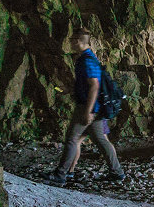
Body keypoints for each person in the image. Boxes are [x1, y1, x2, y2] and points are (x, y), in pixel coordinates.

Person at [48, 29, 125, 186]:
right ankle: (117, 172)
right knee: (101, 141)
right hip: (91, 107)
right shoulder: (86, 58)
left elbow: (94, 86)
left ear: (78, 41)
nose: (70, 43)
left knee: (71, 139)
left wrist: (88, 111)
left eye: (72, 40)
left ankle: (61, 174)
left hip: (88, 107)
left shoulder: (87, 60)